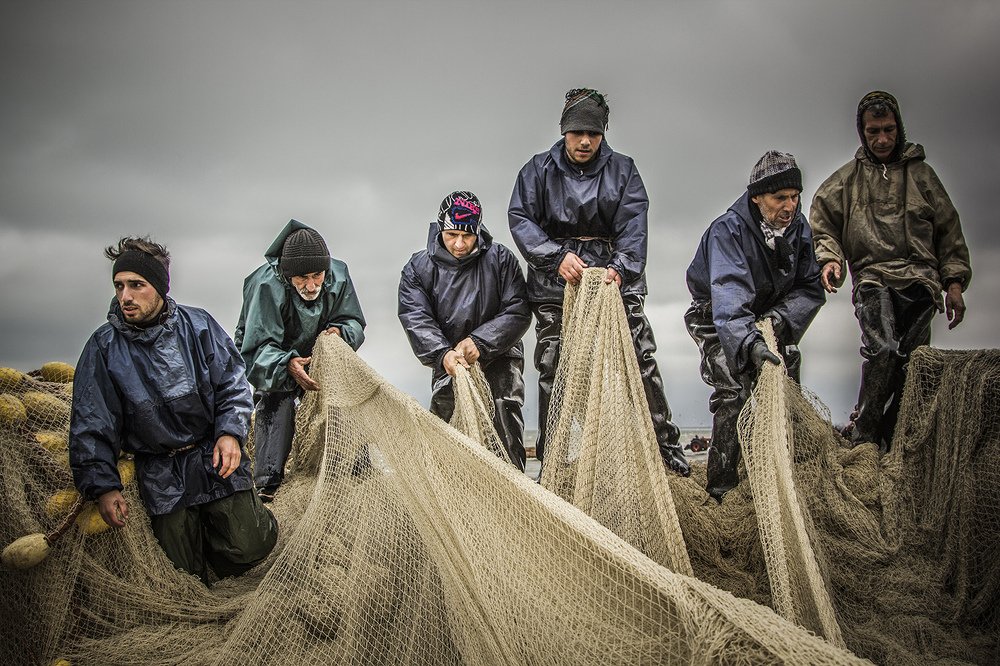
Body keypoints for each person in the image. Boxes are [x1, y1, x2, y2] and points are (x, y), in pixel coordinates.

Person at [69, 237, 277, 585]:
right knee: (184, 574)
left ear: (160, 287)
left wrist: (229, 433)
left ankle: (237, 525)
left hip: (212, 458)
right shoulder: (102, 348)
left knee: (252, 546)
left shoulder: (198, 326)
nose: (126, 297)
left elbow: (233, 383)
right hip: (160, 473)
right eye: (119, 286)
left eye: (137, 285)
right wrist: (103, 486)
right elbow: (91, 421)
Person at [508, 87, 690, 476]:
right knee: (553, 364)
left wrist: (620, 268)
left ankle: (667, 447)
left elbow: (634, 226)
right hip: (554, 285)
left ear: (604, 133)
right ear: (564, 131)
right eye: (577, 132)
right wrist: (555, 257)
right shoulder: (537, 170)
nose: (585, 141)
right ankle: (553, 456)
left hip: (613, 281)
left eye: (594, 133)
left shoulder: (624, 170)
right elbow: (521, 220)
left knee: (639, 359)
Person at [810, 91, 972, 452]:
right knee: (882, 350)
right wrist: (831, 258)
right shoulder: (847, 180)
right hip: (872, 278)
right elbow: (822, 222)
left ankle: (897, 442)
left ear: (898, 128)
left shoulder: (923, 176)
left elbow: (949, 230)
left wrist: (955, 282)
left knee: (913, 366)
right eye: (873, 132)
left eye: (888, 130)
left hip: (921, 281)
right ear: (861, 133)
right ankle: (864, 437)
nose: (882, 139)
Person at [685, 151, 825, 501]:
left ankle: (782, 475)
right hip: (716, 318)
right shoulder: (727, 231)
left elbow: (810, 287)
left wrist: (775, 324)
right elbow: (729, 291)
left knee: (786, 373)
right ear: (757, 197)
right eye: (780, 198)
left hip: (770, 317)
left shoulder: (800, 230)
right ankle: (722, 489)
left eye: (795, 197)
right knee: (733, 390)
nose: (790, 206)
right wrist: (750, 343)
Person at [398, 191, 531, 469]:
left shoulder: (501, 259)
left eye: (467, 236)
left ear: (478, 230)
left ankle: (513, 495)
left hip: (500, 356)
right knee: (444, 425)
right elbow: (416, 317)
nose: (459, 244)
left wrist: (480, 343)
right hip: (448, 361)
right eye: (452, 234)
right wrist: (442, 353)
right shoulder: (417, 268)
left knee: (505, 419)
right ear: (440, 228)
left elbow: (517, 310)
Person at [235, 220, 366, 500]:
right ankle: (268, 484)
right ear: (287, 275)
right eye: (302, 278)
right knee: (276, 399)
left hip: (318, 356)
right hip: (273, 355)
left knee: (344, 397)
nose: (311, 285)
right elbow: (256, 349)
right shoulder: (265, 286)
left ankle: (357, 467)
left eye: (317, 275)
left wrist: (342, 331)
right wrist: (286, 364)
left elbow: (353, 320)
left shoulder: (338, 275)